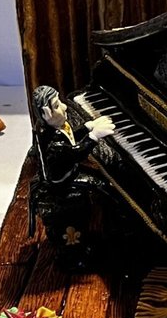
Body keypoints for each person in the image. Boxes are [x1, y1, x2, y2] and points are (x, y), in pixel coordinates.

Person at [30, 85, 115, 265]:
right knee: (103, 188)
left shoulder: (54, 126)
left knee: (102, 184)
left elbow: (71, 136)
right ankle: (77, 251)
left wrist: (87, 126)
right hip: (61, 183)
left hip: (67, 174)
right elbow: (75, 152)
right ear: (46, 113)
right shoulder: (53, 143)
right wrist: (93, 136)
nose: (65, 106)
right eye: (57, 105)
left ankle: (100, 229)